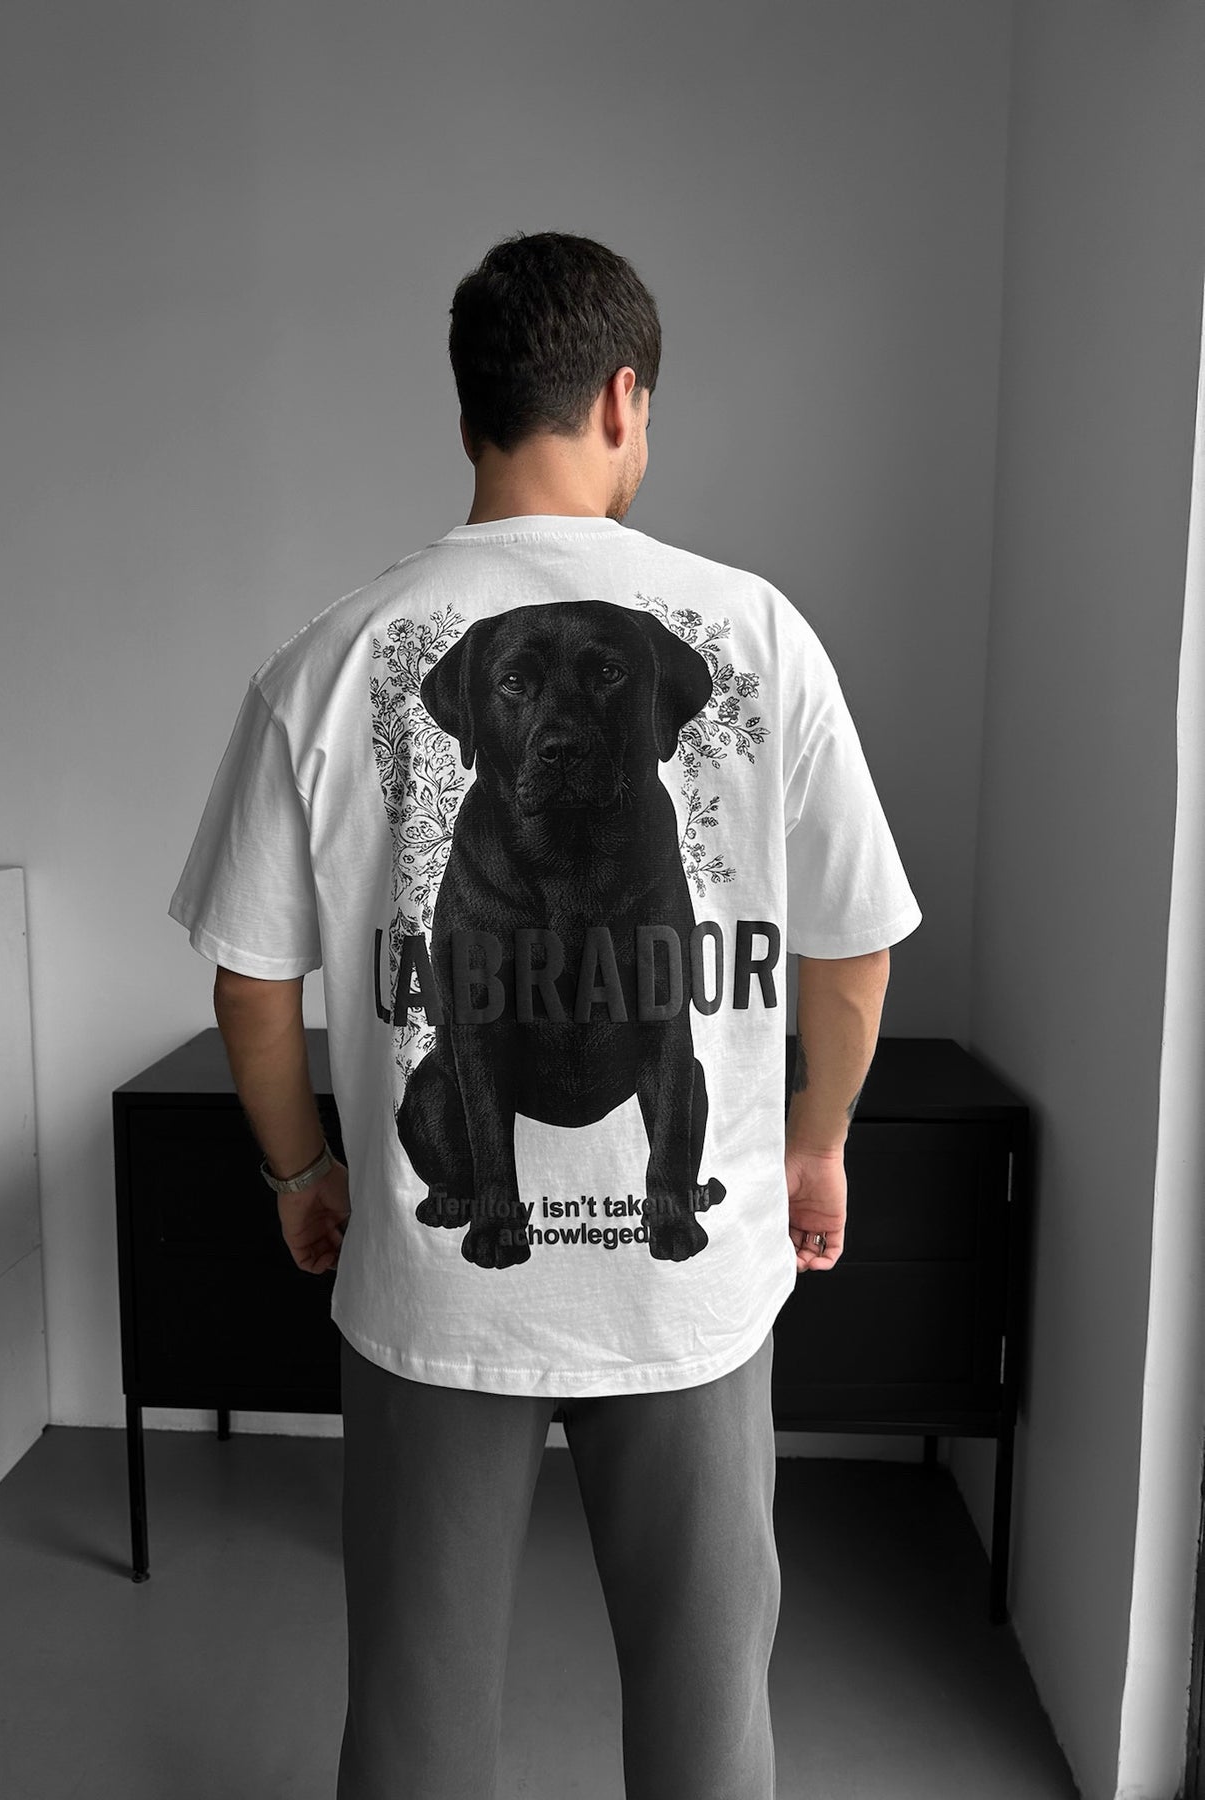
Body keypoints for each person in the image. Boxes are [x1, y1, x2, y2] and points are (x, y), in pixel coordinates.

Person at [168, 229, 922, 1800]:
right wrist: (815, 1146)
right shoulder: (759, 631)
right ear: (624, 400)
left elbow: (250, 984)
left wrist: (301, 1174)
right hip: (688, 1293)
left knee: (416, 1710)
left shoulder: (330, 656)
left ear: (467, 413)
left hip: (432, 1296)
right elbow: (854, 956)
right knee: (709, 1707)